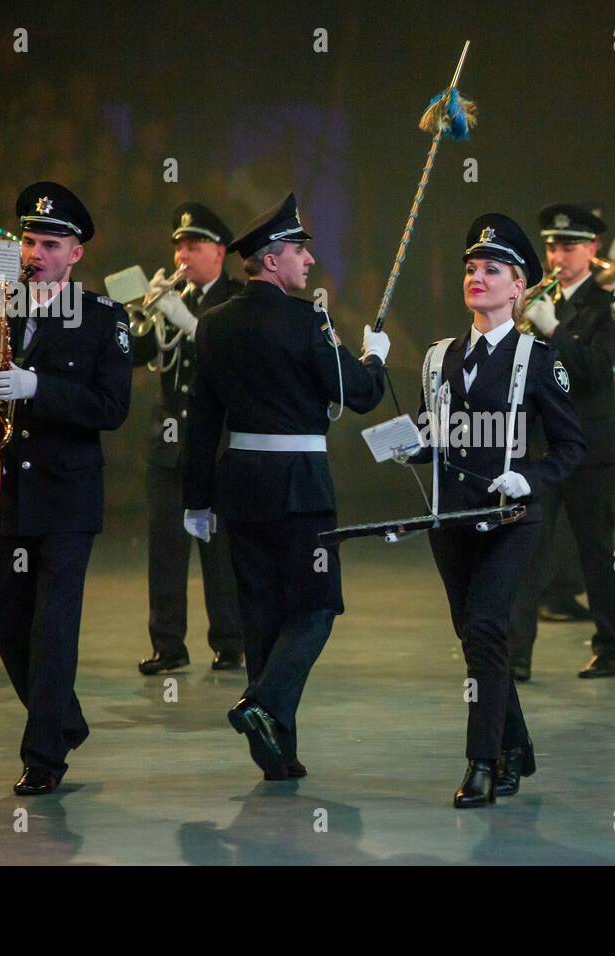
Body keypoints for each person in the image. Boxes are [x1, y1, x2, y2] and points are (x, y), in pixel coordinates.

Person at [183, 192, 389, 781]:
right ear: (271, 260)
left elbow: (203, 420)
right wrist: (374, 358)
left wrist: (195, 498)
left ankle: (278, 753)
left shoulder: (213, 325)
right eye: (300, 250)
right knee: (318, 606)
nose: (309, 262)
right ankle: (263, 704)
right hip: (300, 490)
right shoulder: (306, 321)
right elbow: (360, 394)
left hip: (241, 486)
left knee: (262, 616)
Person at [406, 213, 585, 806]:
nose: (477, 278)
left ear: (520, 287)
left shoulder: (539, 358)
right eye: (471, 269)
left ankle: (482, 763)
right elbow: (438, 436)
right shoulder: (438, 358)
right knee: (475, 636)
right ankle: (517, 747)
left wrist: (527, 478)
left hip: (510, 521)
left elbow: (571, 446)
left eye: (492, 270)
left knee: (485, 630)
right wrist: (413, 445)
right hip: (449, 520)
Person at [0, 182, 132, 795]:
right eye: (27, 240)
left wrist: (38, 387)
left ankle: (43, 755)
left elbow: (111, 407)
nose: (33, 253)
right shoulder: (0, 309)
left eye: (48, 243)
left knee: (55, 628)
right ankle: (63, 718)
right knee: (1, 617)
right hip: (10, 491)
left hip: (68, 499)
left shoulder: (103, 318)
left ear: (75, 253)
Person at [505, 204, 615, 680]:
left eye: (569, 246)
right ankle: (516, 657)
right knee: (530, 548)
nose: (558, 255)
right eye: (552, 245)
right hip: (542, 445)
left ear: (592, 249)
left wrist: (553, 327)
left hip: (591, 449)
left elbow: (598, 372)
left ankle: (611, 649)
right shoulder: (536, 298)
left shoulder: (610, 301)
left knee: (596, 550)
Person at [133, 203, 244, 675]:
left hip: (214, 444)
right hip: (168, 442)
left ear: (219, 252)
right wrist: (145, 312)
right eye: (178, 246)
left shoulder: (236, 300)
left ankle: (230, 641)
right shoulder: (172, 299)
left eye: (193, 246)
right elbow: (137, 353)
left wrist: (183, 319)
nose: (182, 256)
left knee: (218, 548)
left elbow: (231, 356)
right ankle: (168, 645)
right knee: (165, 546)